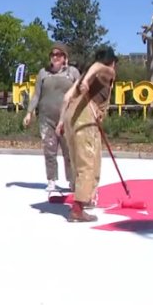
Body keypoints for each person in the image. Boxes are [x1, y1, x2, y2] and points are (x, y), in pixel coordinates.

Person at [56, 47, 118, 223]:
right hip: (84, 118)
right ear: (112, 62)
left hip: (71, 116)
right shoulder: (108, 72)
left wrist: (61, 121)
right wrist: (88, 80)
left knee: (81, 160)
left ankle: (88, 197)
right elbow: (98, 66)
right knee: (87, 162)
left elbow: (67, 97)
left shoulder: (84, 75)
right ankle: (77, 209)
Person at [23, 42, 81, 192]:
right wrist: (29, 112)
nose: (55, 57)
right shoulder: (43, 73)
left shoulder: (72, 72)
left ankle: (73, 180)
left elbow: (80, 93)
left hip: (68, 119)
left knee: (69, 151)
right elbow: (36, 95)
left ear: (65, 57)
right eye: (52, 54)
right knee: (49, 150)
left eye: (58, 54)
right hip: (46, 118)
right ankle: (51, 180)